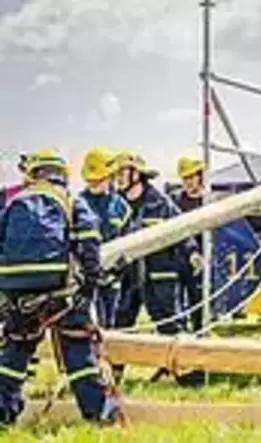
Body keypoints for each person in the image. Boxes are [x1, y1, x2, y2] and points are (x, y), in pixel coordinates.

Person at [0, 148, 121, 425]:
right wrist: (88, 289)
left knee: (16, 350)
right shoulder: (69, 201)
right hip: (59, 289)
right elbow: (89, 243)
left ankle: (2, 412)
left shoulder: (13, 203)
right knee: (77, 348)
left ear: (33, 174)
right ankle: (98, 413)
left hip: (17, 291)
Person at [112, 151, 204, 386]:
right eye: (117, 173)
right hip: (128, 276)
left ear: (137, 174)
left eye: (123, 171)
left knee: (170, 324)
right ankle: (112, 375)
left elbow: (181, 229)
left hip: (159, 276)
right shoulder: (115, 204)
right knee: (120, 325)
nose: (118, 177)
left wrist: (192, 252)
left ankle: (191, 376)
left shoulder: (159, 202)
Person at [78, 147, 133, 329]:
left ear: (110, 176)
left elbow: (129, 242)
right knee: (88, 325)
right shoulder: (77, 203)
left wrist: (120, 268)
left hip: (112, 278)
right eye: (91, 180)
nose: (94, 184)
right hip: (85, 278)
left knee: (108, 324)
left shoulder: (121, 207)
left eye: (98, 179)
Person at [168, 156, 205, 332]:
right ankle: (179, 330)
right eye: (185, 178)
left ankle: (199, 328)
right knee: (176, 296)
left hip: (200, 256)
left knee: (197, 295)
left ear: (200, 176)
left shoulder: (208, 200)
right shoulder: (174, 200)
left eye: (192, 177)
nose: (188, 182)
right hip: (178, 256)